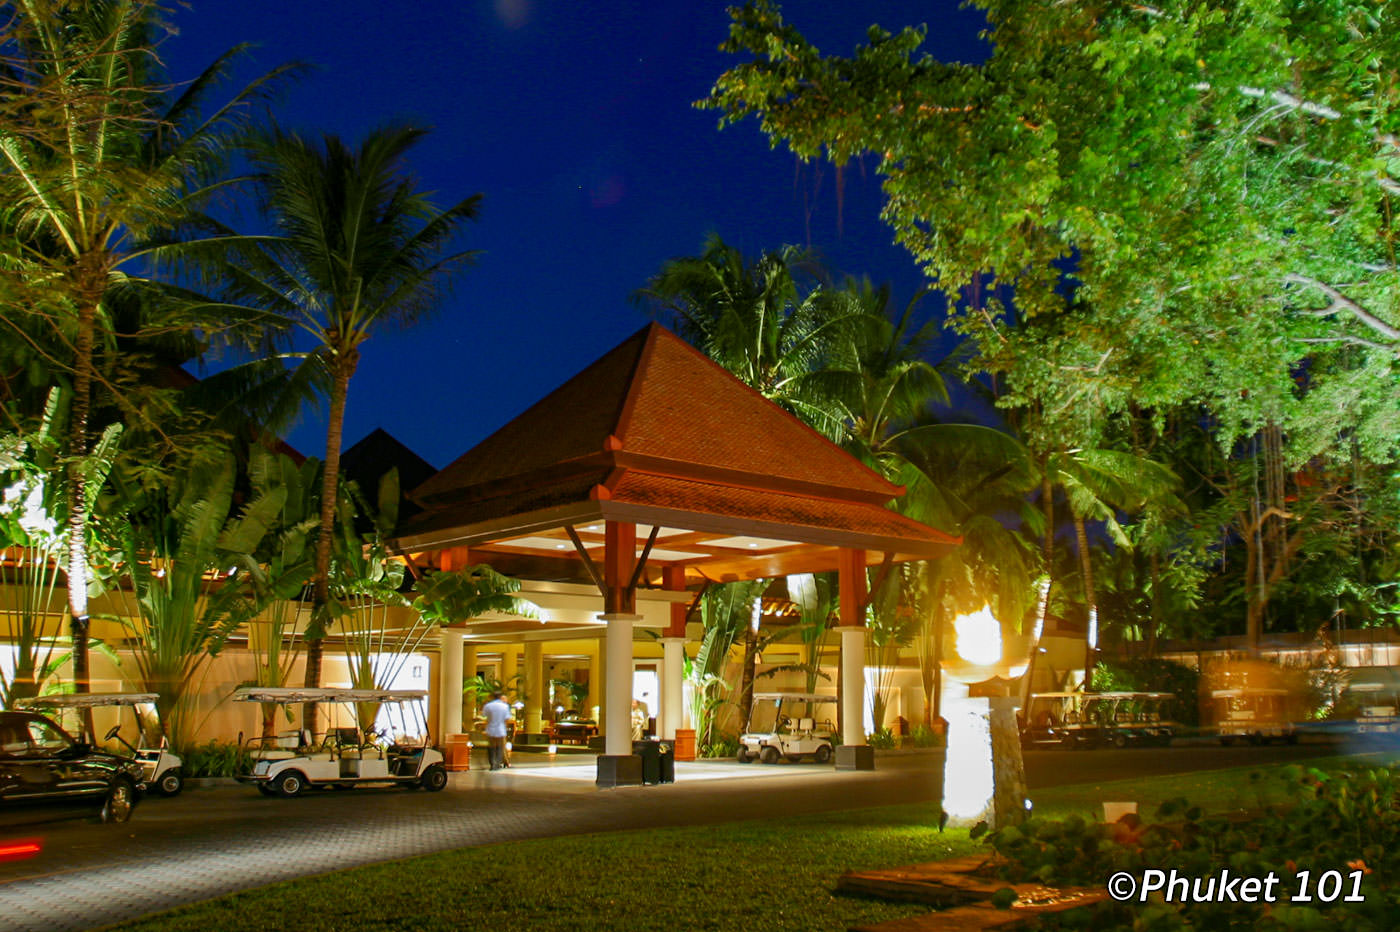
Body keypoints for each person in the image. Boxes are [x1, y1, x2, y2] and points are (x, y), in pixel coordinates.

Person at [482, 691, 512, 771]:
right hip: (501, 729)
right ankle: (497, 764)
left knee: (491, 746)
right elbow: (507, 719)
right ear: (500, 697)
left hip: (490, 728)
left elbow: (485, 717)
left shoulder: (488, 706)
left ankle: (492, 764)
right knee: (499, 746)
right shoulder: (504, 706)